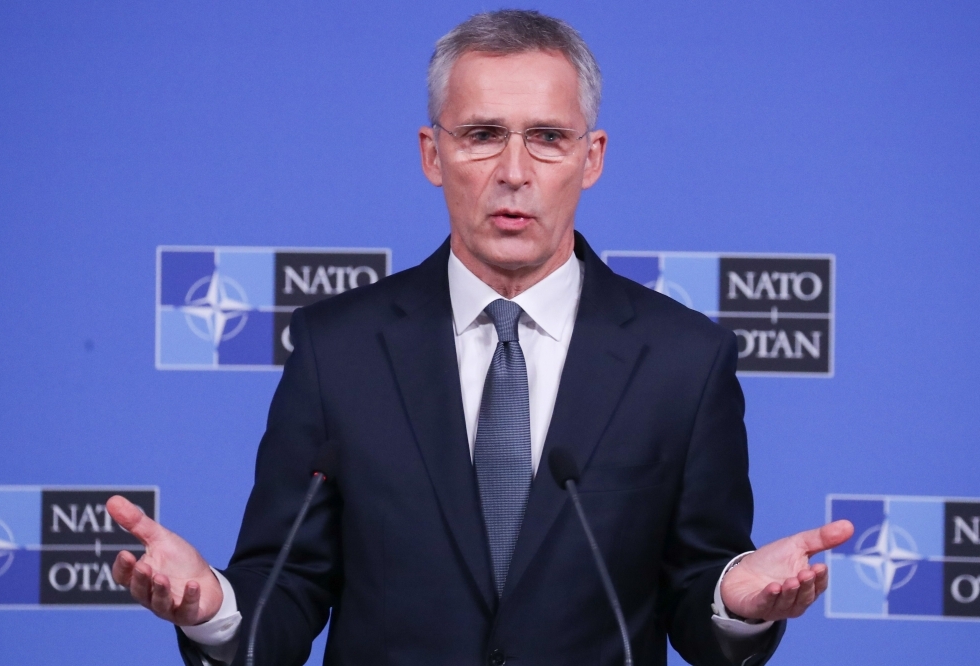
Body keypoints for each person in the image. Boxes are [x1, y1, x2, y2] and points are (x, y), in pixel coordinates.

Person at [108, 10, 853, 666]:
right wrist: (213, 612)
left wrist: (737, 600)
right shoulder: (338, 350)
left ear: (591, 158)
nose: (514, 172)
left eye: (548, 139)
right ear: (433, 154)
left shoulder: (685, 362)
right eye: (483, 135)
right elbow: (289, 586)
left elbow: (695, 594)